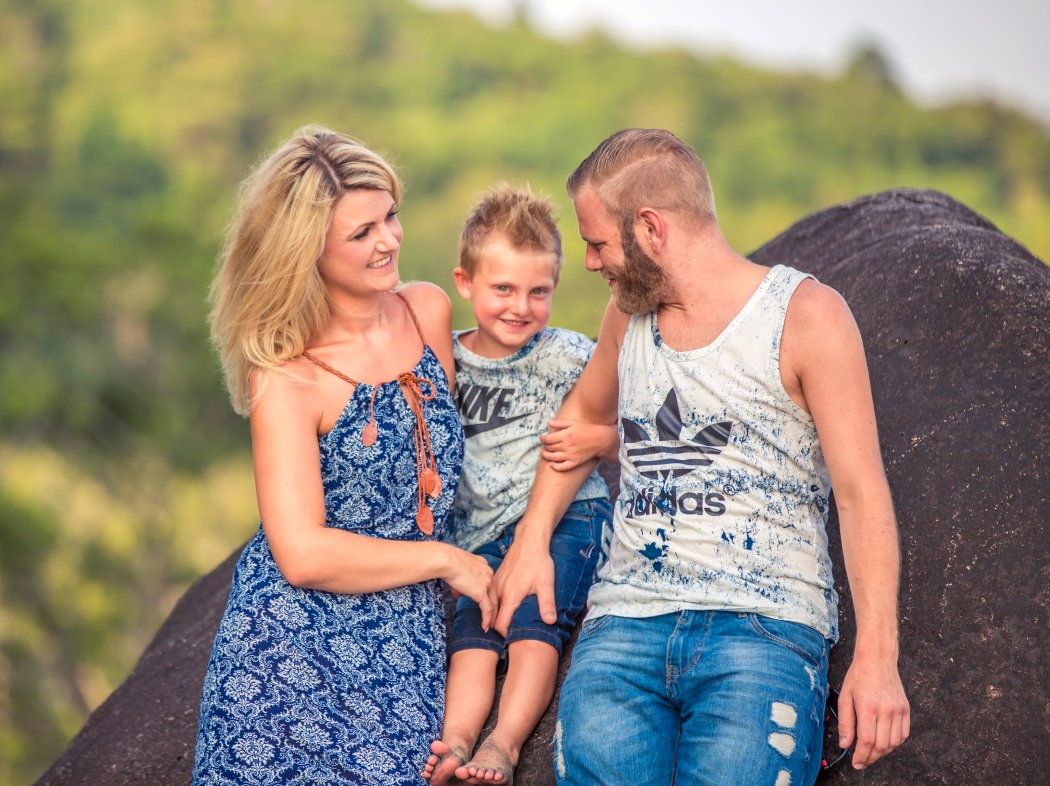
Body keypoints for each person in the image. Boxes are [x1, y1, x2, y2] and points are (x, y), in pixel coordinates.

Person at [491, 129, 911, 785]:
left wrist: (877, 658)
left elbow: (862, 494)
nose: (592, 263)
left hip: (761, 634)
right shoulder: (624, 319)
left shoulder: (807, 316)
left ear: (650, 229)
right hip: (622, 629)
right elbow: (580, 417)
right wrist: (531, 538)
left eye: (599, 243)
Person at [190, 125, 498, 786]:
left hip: (404, 627)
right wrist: (447, 560)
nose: (389, 240)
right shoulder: (286, 374)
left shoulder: (427, 312)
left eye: (389, 216)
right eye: (361, 233)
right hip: (293, 638)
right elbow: (301, 553)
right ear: (307, 252)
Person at [420, 184, 616, 785]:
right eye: (503, 288)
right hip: (479, 533)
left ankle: (502, 745)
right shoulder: (444, 360)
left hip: (567, 518)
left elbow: (636, 422)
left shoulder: (568, 355)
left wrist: (603, 441)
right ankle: (454, 741)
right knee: (474, 636)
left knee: (534, 620)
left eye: (539, 291)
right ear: (465, 282)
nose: (521, 307)